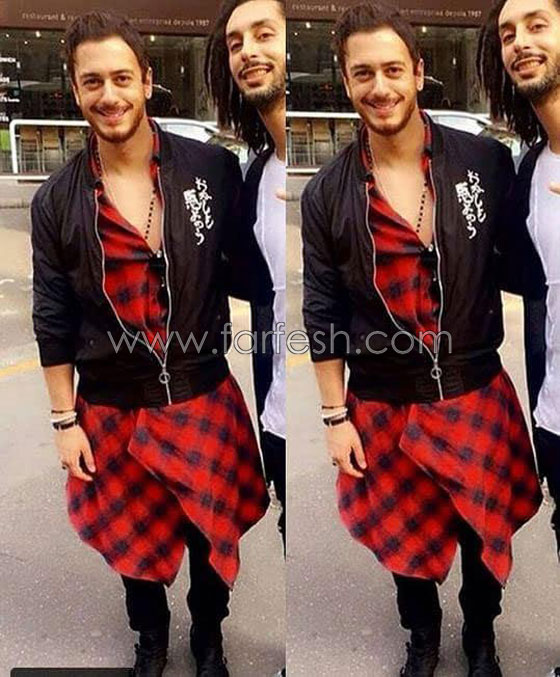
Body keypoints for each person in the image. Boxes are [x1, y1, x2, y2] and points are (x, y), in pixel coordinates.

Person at [301, 3, 542, 676]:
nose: (380, 87)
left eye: (392, 70)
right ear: (346, 81)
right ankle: (422, 635)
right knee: (405, 541)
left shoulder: (484, 162)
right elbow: (322, 310)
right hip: (382, 399)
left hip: (473, 389)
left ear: (418, 71)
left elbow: (530, 268)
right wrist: (334, 416)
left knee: (480, 530)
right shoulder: (326, 194)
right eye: (363, 73)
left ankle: (481, 633)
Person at [31, 11, 269, 677]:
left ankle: (209, 636)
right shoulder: (56, 200)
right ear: (75, 90)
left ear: (146, 80)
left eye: (120, 78)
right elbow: (52, 317)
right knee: (134, 544)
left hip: (201, 394)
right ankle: (150, 637)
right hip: (111, 403)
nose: (108, 95)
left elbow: (256, 274)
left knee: (208, 534)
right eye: (92, 82)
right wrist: (64, 420)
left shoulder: (211, 169)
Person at [479, 1, 560, 674]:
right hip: (556, 412)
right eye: (509, 33)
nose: (520, 42)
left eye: (537, 24)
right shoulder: (529, 169)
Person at [206, 4, 286, 671]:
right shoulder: (253, 173)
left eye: (265, 35)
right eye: (236, 42)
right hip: (277, 409)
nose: (249, 52)